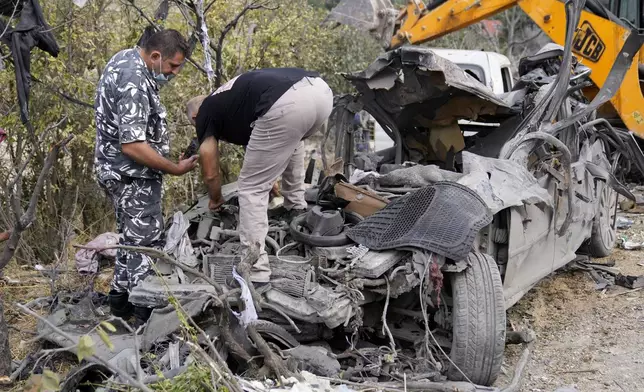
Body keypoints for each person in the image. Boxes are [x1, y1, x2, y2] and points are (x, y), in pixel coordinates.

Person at [187, 68, 333, 284]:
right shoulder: (231, 100)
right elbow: (270, 145)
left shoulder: (205, 110)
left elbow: (210, 170)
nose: (198, 128)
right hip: (320, 93)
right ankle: (295, 207)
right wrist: (269, 181)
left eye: (194, 124)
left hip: (286, 104)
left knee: (250, 189)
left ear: (194, 116)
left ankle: (256, 271)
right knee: (294, 142)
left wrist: (216, 198)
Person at [94, 29, 198, 325]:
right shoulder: (135, 80)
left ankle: (120, 305)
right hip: (132, 176)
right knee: (146, 245)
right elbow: (133, 145)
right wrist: (173, 168)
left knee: (129, 239)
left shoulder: (124, 59)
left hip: (117, 172)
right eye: (173, 66)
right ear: (155, 56)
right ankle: (144, 318)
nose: (174, 73)